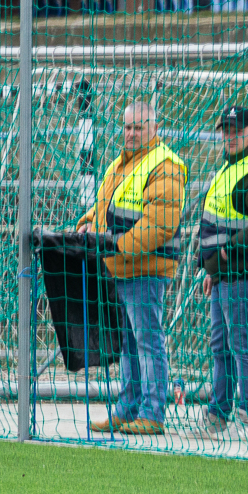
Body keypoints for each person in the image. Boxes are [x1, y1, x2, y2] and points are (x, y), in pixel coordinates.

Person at [77, 100, 187, 435]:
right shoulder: (117, 166)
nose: (131, 133)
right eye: (127, 127)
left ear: (154, 128)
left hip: (145, 270)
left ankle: (152, 414)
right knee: (127, 342)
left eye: (138, 127)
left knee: (147, 341)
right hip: (119, 268)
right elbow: (101, 208)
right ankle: (127, 408)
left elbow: (160, 224)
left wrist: (114, 247)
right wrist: (87, 226)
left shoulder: (165, 165)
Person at [195, 105, 248, 439]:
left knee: (243, 346)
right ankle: (219, 412)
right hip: (223, 273)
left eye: (236, 130)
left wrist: (229, 250)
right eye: (226, 130)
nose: (230, 136)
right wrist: (211, 268)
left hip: (244, 274)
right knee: (221, 347)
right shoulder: (230, 167)